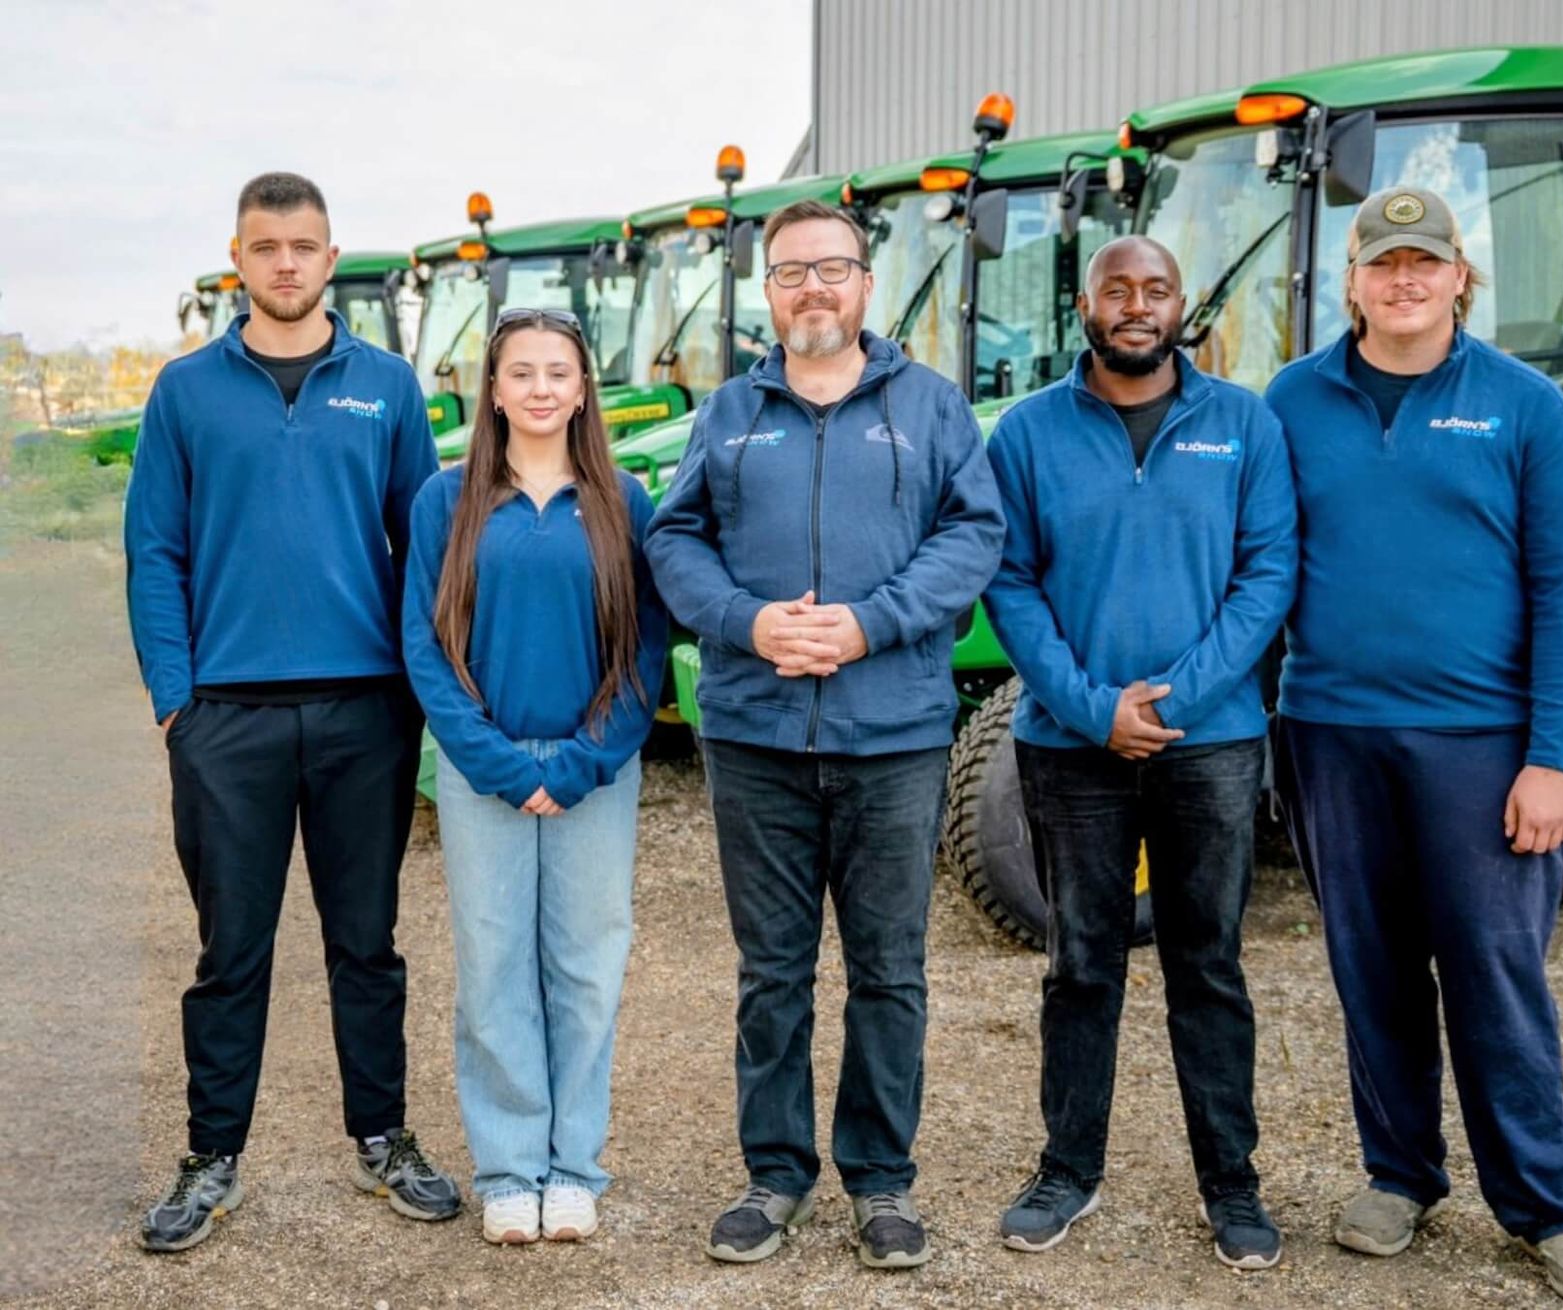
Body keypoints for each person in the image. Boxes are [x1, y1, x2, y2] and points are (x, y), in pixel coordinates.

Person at [1264, 186, 1563, 1303]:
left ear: (1460, 276)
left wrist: (1553, 756)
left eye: (1427, 263)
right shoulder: (1292, 399)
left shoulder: (1525, 407)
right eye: (1385, 264)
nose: (1406, 281)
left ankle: (1547, 1206)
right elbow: (1261, 562)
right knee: (1370, 968)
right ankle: (1400, 1174)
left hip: (1482, 746)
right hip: (1331, 736)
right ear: (1354, 281)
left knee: (1494, 971)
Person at [644, 199, 1004, 1270]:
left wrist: (868, 623)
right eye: (792, 272)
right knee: (774, 968)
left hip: (892, 734)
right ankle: (775, 1172)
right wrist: (748, 621)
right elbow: (674, 539)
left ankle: (883, 1180)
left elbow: (973, 533)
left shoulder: (932, 408)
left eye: (832, 269)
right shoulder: (727, 415)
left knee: (890, 968)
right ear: (769, 292)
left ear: (865, 284)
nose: (813, 289)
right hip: (755, 736)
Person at [124, 172, 457, 1253]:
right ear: (238, 257)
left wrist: (416, 687)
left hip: (365, 712)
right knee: (233, 950)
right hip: (227, 719)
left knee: (368, 942)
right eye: (265, 247)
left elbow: (425, 551)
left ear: (328, 256)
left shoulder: (389, 386)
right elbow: (155, 551)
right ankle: (212, 1155)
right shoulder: (185, 391)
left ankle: (385, 1138)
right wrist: (178, 701)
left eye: (303, 246)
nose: (284, 264)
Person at [982, 237, 1298, 1270]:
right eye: (1117, 288)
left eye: (1154, 289)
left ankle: (1232, 1185)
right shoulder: (1028, 432)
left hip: (1210, 746)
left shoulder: (1242, 424)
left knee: (1208, 962)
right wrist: (1087, 705)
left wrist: (1182, 695)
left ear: (1180, 304)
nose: (1135, 305)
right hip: (1069, 747)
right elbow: (1010, 581)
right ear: (1086, 302)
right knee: (1081, 963)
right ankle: (1067, 1169)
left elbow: (1268, 572)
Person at [404, 309, 667, 1245]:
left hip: (595, 772)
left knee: (587, 970)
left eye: (560, 372)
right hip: (486, 774)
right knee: (493, 970)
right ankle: (511, 1168)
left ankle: (573, 1167)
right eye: (523, 372)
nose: (542, 388)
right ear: (494, 389)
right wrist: (496, 763)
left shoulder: (622, 501)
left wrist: (592, 758)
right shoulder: (447, 502)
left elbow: (646, 654)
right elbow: (426, 648)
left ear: (584, 388)